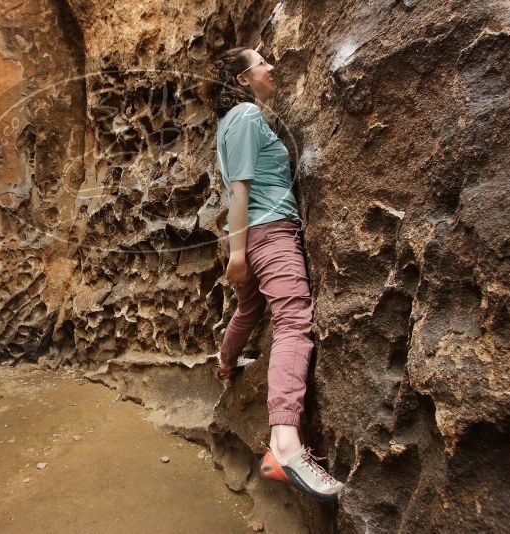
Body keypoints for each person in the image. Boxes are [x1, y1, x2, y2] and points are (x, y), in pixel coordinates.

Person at [211, 46, 344, 502]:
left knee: (249, 309)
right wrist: (239, 253)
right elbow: (241, 187)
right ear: (243, 80)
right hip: (269, 232)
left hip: (248, 235)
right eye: (260, 61)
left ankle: (225, 363)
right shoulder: (247, 114)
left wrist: (236, 247)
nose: (271, 65)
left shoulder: (226, 124)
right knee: (293, 322)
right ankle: (285, 445)